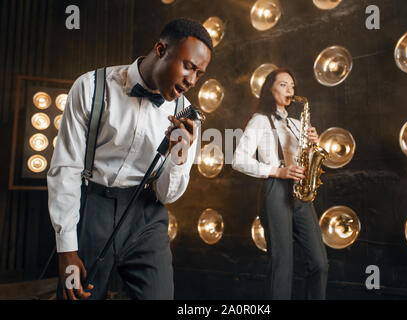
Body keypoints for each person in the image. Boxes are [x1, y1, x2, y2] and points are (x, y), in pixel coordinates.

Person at [47, 18, 213, 300]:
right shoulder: (91, 88)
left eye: (199, 74)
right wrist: (66, 250)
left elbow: (167, 196)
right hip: (93, 208)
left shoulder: (188, 115)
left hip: (147, 217)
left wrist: (179, 157)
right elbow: (66, 168)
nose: (191, 81)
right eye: (188, 66)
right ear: (161, 49)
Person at [232, 68, 328, 299]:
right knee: (282, 262)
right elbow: (238, 160)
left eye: (292, 86)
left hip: (301, 194)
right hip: (276, 191)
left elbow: (305, 159)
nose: (289, 90)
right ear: (270, 88)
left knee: (320, 262)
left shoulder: (297, 123)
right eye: (283, 84)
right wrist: (277, 171)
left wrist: (313, 143)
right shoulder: (259, 121)